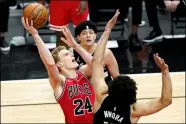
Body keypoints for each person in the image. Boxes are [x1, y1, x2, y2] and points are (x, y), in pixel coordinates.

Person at [91, 10, 172, 123]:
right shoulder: (133, 111)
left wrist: (107, 30)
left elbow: (96, 61)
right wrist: (165, 71)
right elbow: (166, 101)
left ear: (110, 89)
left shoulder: (100, 99)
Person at [21, 17, 95, 123]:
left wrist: (75, 45)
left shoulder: (83, 72)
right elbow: (50, 64)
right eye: (66, 55)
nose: (71, 54)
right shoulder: (60, 81)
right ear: (59, 63)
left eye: (70, 53)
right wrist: (35, 35)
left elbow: (95, 64)